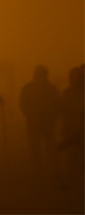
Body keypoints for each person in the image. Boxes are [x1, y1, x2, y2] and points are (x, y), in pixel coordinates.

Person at [19, 65, 60, 177]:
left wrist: (53, 118)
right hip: (34, 123)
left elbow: (57, 105)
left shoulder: (51, 89)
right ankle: (38, 172)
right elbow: (22, 104)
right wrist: (29, 114)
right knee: (35, 150)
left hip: (47, 124)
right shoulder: (28, 88)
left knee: (50, 150)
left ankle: (53, 170)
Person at [58, 64, 84, 196]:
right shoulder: (67, 93)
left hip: (77, 136)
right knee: (72, 164)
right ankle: (72, 189)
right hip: (72, 136)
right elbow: (62, 112)